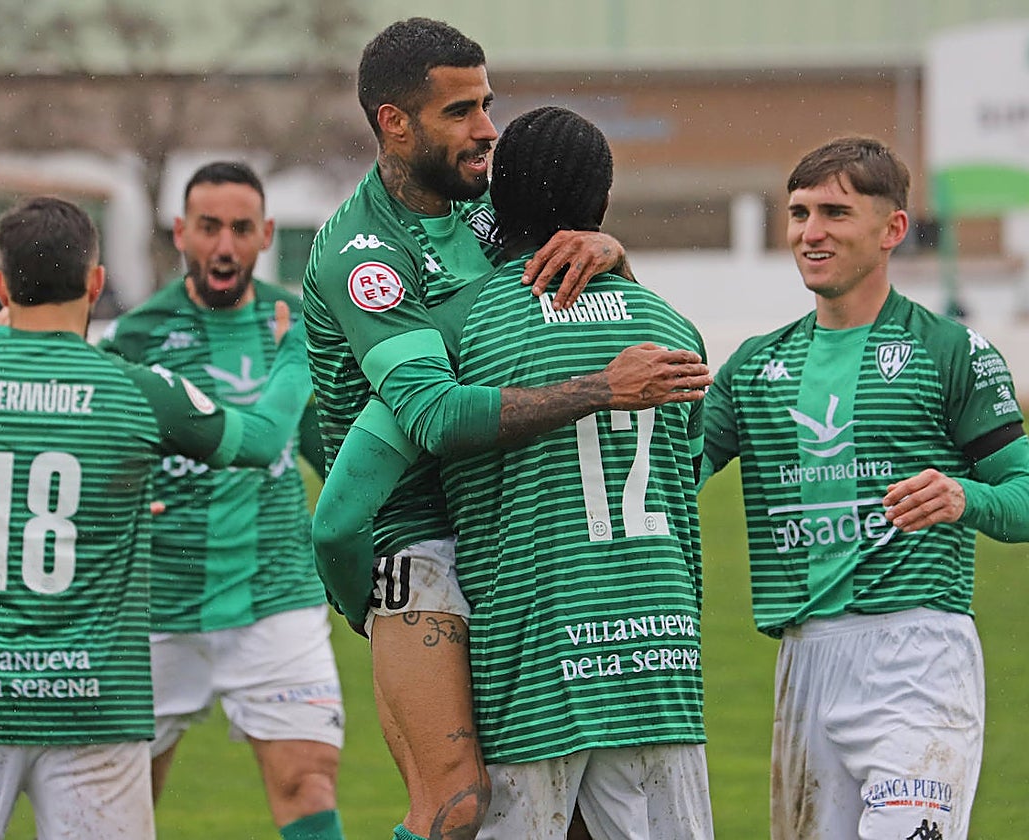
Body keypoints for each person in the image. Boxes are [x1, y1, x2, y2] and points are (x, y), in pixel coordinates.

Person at [302, 18, 712, 840]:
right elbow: (436, 416)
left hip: (516, 516)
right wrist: (603, 387)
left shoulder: (488, 198)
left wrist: (610, 248)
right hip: (418, 537)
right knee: (458, 807)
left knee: (568, 790)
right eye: (460, 112)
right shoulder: (364, 251)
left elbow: (563, 297)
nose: (487, 130)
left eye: (487, 105)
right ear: (394, 122)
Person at [0, 195, 312, 840]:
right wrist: (295, 354)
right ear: (96, 281)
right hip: (94, 702)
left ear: (0, 284)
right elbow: (262, 442)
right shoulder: (141, 391)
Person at [700, 136, 1029, 840]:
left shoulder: (950, 350)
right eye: (798, 213)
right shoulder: (754, 367)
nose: (810, 233)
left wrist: (964, 498)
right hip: (804, 661)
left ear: (892, 229)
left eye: (834, 213)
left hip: (917, 657)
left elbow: (1023, 494)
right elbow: (668, 472)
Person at [98, 161, 345, 840]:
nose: (225, 246)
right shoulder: (134, 338)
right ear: (180, 231)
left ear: (266, 234)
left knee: (309, 782)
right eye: (208, 228)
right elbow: (106, 460)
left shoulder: (298, 327)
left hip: (275, 598)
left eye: (241, 229)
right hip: (158, 603)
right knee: (119, 806)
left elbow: (323, 450)